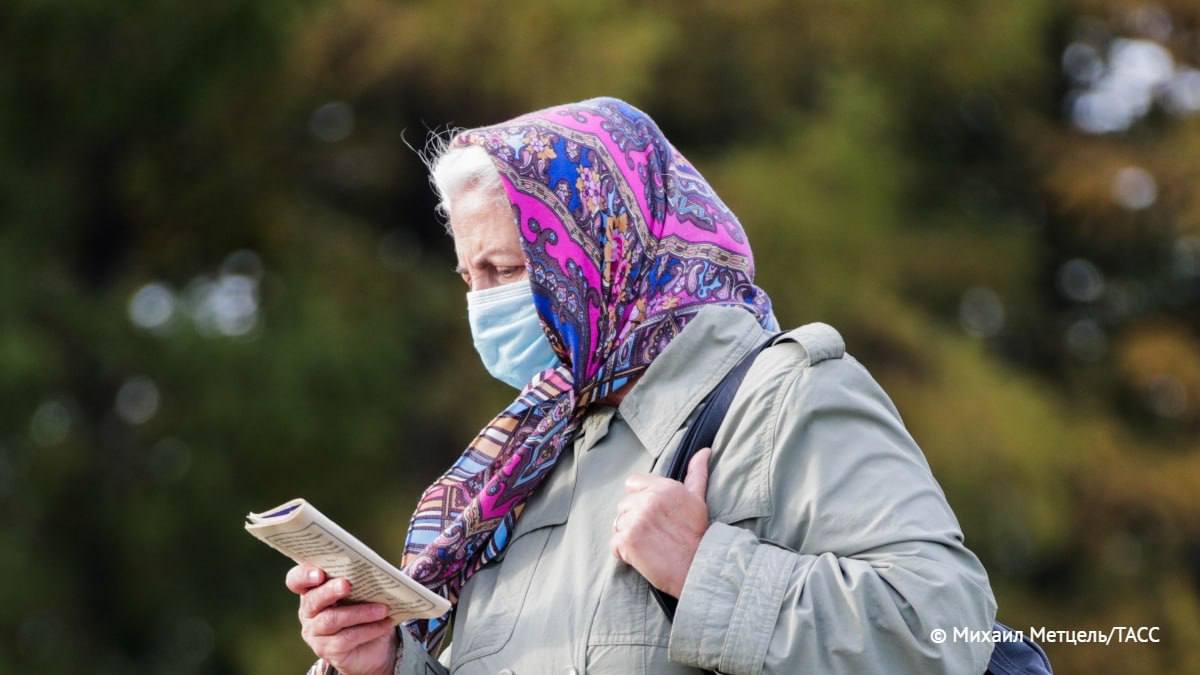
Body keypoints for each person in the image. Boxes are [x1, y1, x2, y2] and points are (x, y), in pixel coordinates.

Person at [285, 96, 997, 675]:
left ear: (605, 252)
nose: (482, 303)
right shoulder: (521, 462)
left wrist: (704, 570)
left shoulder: (784, 394)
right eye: (470, 278)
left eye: (504, 270)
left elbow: (947, 628)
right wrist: (380, 663)